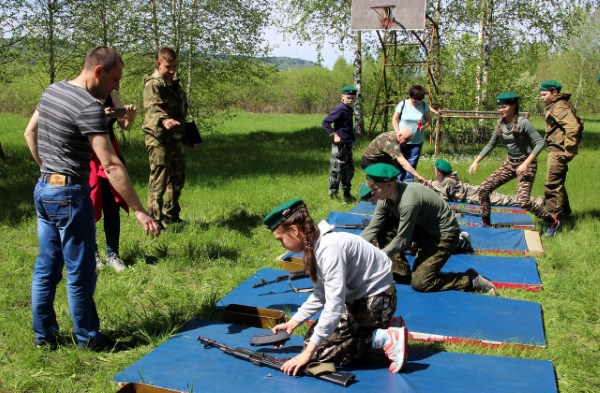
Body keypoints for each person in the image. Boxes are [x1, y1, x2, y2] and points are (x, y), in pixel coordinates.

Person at [23, 46, 160, 350]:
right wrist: (138, 209)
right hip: (70, 195)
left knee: (46, 268)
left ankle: (44, 337)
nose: (117, 87)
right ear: (98, 71)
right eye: (114, 79)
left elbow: (29, 134)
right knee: (80, 272)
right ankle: (89, 339)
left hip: (44, 190)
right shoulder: (88, 107)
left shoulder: (52, 91)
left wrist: (47, 173)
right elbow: (110, 164)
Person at [264, 198, 408, 374]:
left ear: (294, 231)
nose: (282, 245)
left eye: (281, 239)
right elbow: (320, 294)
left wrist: (308, 353)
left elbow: (334, 305)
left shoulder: (329, 249)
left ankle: (384, 337)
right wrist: (293, 323)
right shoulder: (315, 246)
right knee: (311, 342)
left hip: (378, 298)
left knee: (319, 354)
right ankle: (376, 324)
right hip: (360, 297)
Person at [359, 163, 496, 294]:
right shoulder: (385, 197)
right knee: (384, 227)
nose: (372, 193)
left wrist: (379, 256)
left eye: (375, 189)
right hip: (422, 229)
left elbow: (403, 239)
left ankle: (470, 280)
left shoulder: (408, 201)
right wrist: (352, 246)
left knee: (421, 283)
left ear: (388, 184)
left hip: (443, 236)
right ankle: (402, 274)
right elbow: (373, 227)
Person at [468, 92, 560, 236]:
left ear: (513, 106)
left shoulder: (523, 122)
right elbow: (491, 144)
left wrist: (526, 163)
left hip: (527, 165)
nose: (500, 110)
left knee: (523, 201)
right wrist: (476, 161)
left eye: (503, 107)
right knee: (483, 189)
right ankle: (485, 223)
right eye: (499, 107)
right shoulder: (501, 124)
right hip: (510, 164)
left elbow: (540, 142)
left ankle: (551, 221)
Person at [91, 92, 137, 272]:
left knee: (112, 204)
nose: (116, 84)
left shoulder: (111, 95)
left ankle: (112, 254)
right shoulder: (80, 93)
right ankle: (91, 254)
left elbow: (124, 125)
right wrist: (95, 116)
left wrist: (131, 118)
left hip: (109, 152)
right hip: (88, 156)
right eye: (113, 79)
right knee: (90, 203)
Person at [143, 47, 188, 228]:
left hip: (175, 138)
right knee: (159, 180)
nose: (172, 70)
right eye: (168, 66)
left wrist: (187, 134)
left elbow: (182, 110)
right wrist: (164, 120)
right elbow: (153, 108)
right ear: (158, 64)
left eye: (174, 66)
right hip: (159, 138)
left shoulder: (175, 83)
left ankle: (172, 215)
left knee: (178, 178)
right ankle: (154, 219)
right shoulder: (153, 84)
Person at [539, 80, 583, 220]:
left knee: (552, 185)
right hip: (556, 149)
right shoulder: (557, 105)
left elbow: (573, 127)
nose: (542, 97)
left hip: (559, 151)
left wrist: (569, 148)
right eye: (541, 94)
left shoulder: (559, 107)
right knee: (558, 182)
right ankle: (565, 214)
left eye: (544, 94)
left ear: (554, 93)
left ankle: (553, 220)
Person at [431, 159, 544, 207]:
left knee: (506, 200)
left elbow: (442, 199)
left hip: (476, 196)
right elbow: (439, 184)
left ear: (440, 173)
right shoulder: (450, 178)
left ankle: (538, 201)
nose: (433, 171)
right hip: (477, 191)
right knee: (505, 198)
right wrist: (430, 183)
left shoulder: (447, 183)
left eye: (434, 170)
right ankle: (537, 200)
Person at [322, 85, 358, 203]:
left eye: (353, 98)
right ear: (342, 96)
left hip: (347, 145)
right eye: (348, 97)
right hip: (339, 146)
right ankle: (333, 195)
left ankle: (346, 194)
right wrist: (334, 135)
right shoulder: (340, 109)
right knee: (336, 170)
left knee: (349, 171)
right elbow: (325, 122)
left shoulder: (348, 109)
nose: (351, 100)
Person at [392, 85, 432, 182]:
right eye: (414, 100)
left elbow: (429, 120)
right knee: (400, 162)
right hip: (402, 140)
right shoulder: (403, 104)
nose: (416, 102)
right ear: (410, 96)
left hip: (417, 141)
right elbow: (395, 119)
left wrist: (424, 126)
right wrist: (398, 133)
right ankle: (398, 183)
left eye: (419, 100)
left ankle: (409, 184)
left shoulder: (424, 105)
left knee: (412, 163)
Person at [361, 127, 428, 184]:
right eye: (406, 140)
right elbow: (403, 162)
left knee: (393, 176)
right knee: (379, 184)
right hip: (370, 162)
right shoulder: (389, 142)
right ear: (400, 135)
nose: (406, 143)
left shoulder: (395, 135)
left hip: (381, 161)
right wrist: (418, 176)